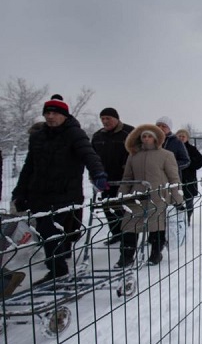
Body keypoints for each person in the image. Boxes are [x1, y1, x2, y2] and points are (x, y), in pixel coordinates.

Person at [12, 95, 108, 284]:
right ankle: (57, 268)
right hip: (39, 194)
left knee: (51, 232)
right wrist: (20, 192)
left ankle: (58, 271)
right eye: (47, 113)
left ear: (64, 115)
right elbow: (29, 167)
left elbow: (89, 155)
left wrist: (98, 174)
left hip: (65, 193)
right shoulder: (38, 137)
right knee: (46, 233)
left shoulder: (74, 134)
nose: (50, 117)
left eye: (55, 113)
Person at [116, 124, 183, 267]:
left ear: (156, 138)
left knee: (156, 227)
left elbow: (173, 178)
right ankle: (126, 256)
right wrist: (122, 196)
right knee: (129, 226)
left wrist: (177, 198)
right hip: (137, 197)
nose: (146, 139)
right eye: (144, 136)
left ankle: (155, 253)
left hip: (158, 197)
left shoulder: (166, 155)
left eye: (149, 136)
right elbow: (127, 178)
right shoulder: (133, 156)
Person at [91, 107, 134, 245]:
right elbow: (92, 157)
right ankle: (116, 234)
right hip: (105, 179)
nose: (105, 121)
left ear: (116, 118)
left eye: (108, 118)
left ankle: (128, 238)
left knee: (126, 209)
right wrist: (94, 175)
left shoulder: (129, 132)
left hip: (125, 179)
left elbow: (135, 154)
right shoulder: (98, 136)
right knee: (108, 208)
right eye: (102, 119)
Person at [175, 129, 202, 226]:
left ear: (187, 138)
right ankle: (177, 221)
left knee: (189, 201)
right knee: (176, 201)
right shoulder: (173, 148)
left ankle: (187, 218)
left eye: (183, 136)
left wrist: (188, 164)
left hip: (189, 179)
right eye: (179, 136)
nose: (181, 138)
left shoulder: (192, 149)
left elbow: (200, 161)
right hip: (175, 179)